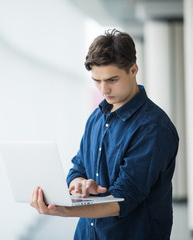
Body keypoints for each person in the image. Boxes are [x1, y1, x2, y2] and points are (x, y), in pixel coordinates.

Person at [30, 29, 179, 239]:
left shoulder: (153, 128)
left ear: (133, 70)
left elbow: (124, 197)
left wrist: (65, 210)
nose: (103, 90)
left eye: (112, 80)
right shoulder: (97, 118)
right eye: (96, 80)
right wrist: (79, 183)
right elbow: (78, 167)